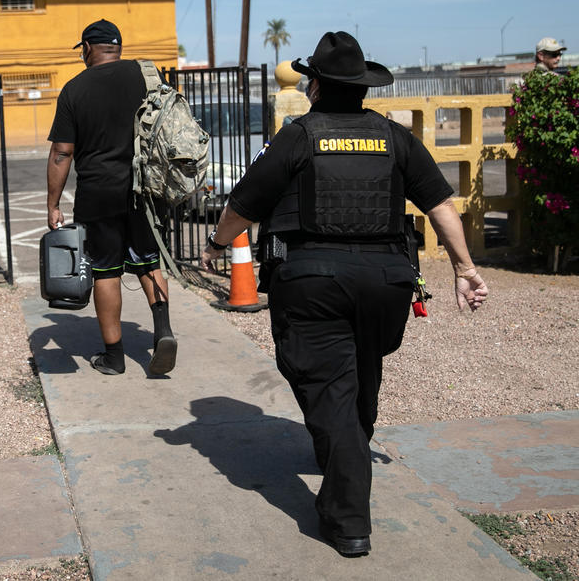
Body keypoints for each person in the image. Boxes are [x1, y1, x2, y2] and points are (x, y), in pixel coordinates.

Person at [200, 31, 488, 557]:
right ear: (361, 88)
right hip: (386, 282)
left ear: (314, 86)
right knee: (360, 370)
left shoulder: (299, 135)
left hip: (313, 283)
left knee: (327, 386)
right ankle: (349, 449)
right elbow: (441, 203)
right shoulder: (392, 136)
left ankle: (348, 518)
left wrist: (217, 244)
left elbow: (245, 203)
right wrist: (464, 268)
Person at [47, 19, 177, 377]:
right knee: (150, 261)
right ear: (117, 47)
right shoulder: (147, 77)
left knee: (105, 271)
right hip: (145, 189)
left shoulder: (75, 89)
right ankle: (163, 330)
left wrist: (53, 204)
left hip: (98, 192)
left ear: (87, 47)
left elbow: (62, 152)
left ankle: (114, 356)